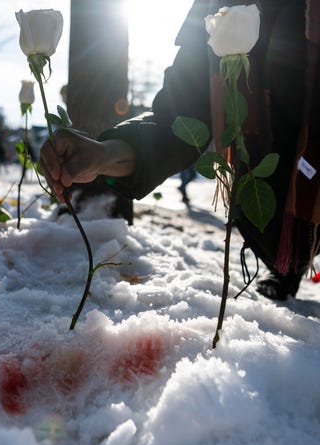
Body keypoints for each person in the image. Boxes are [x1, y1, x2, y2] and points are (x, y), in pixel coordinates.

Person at [40, 0, 319, 301]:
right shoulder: (215, 8)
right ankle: (287, 263)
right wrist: (106, 153)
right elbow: (179, 114)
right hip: (278, 214)